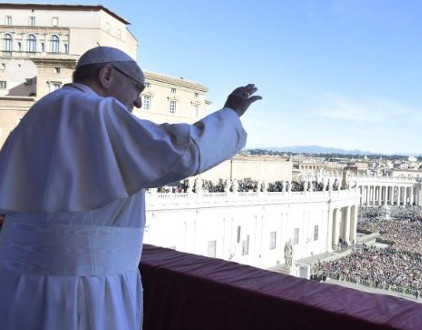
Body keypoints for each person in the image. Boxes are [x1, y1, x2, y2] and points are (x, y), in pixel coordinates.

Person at [0, 46, 261, 330]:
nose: (138, 102)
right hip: (83, 289)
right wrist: (229, 115)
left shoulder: (42, 110)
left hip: (21, 281)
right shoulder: (93, 109)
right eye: (137, 88)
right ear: (107, 74)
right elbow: (177, 153)